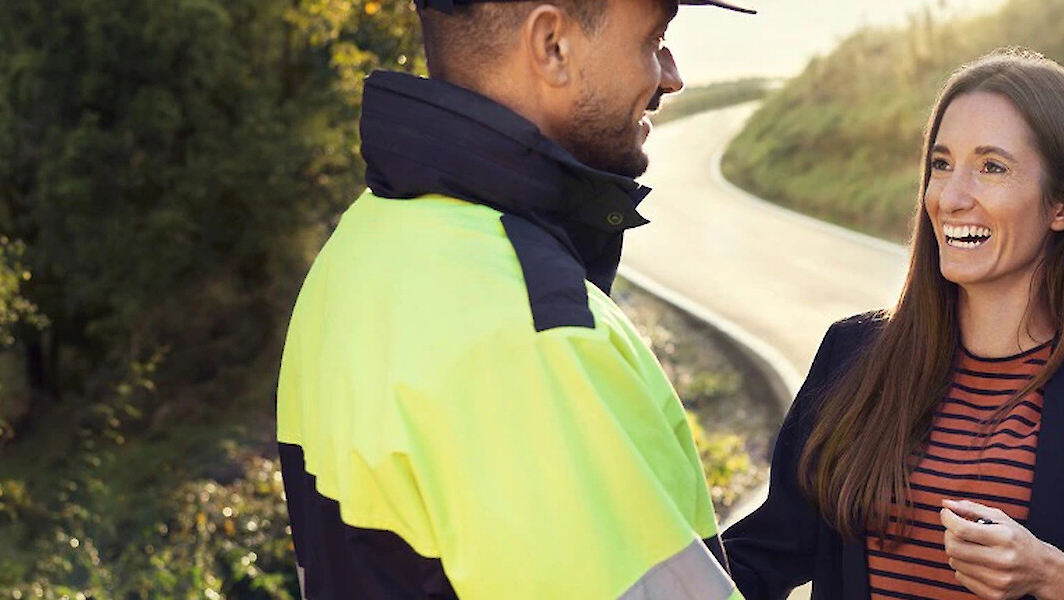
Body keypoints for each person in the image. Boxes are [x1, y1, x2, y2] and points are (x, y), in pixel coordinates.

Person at [275, 0, 754, 597]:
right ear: (553, 45)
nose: (671, 75)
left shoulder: (357, 248)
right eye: (653, 38)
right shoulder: (539, 334)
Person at [722, 49, 1064, 600]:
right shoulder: (852, 356)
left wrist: (1053, 578)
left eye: (991, 167)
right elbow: (755, 562)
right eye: (941, 164)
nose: (951, 198)